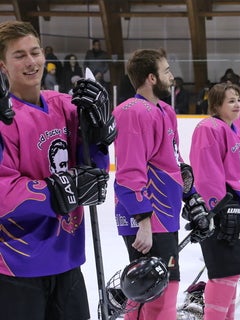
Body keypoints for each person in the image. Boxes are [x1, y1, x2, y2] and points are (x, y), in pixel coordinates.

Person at [0, 20, 114, 319]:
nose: (31, 61)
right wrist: (55, 191)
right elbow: (3, 193)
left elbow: (92, 172)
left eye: (35, 52)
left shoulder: (66, 105)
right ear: (3, 65)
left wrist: (99, 135)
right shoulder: (3, 120)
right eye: (19, 55)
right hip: (17, 265)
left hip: (67, 258)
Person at [112, 48, 214, 320]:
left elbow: (174, 162)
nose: (172, 75)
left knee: (148, 290)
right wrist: (143, 220)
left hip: (164, 214)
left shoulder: (165, 111)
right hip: (148, 215)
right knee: (158, 289)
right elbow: (129, 171)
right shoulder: (132, 112)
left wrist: (192, 197)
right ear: (151, 78)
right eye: (166, 70)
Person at [189, 82, 240, 320]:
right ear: (216, 104)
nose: (237, 104)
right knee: (223, 274)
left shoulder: (236, 129)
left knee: (231, 275)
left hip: (238, 211)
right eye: (230, 100)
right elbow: (206, 172)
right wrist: (221, 206)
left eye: (238, 99)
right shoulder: (208, 127)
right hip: (220, 214)